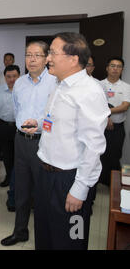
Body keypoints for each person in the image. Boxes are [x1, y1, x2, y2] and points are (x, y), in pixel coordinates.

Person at [34, 32, 110, 250]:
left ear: (73, 59)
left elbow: (94, 146)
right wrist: (39, 124)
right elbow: (58, 122)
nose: (47, 58)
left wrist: (80, 187)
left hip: (69, 180)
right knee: (45, 236)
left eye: (52, 53)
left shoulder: (89, 91)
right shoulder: (60, 85)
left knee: (70, 241)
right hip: (46, 174)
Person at [1, 41, 57, 246]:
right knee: (21, 190)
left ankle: (44, 239)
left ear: (46, 58)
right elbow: (18, 110)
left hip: (44, 142)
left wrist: (41, 125)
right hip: (21, 140)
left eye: (37, 55)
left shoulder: (55, 82)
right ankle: (20, 231)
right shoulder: (20, 82)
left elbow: (59, 116)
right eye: (28, 55)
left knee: (42, 194)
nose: (32, 60)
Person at [99, 57, 130, 186]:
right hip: (100, 127)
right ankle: (100, 181)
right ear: (107, 68)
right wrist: (106, 118)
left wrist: (107, 113)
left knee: (115, 156)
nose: (115, 69)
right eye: (112, 66)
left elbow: (125, 106)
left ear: (122, 70)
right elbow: (95, 106)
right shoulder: (99, 84)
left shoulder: (126, 87)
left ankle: (113, 185)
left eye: (118, 66)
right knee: (100, 155)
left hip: (118, 128)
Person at [0, 65, 20, 190]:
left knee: (18, 156)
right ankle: (8, 177)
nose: (12, 79)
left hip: (19, 128)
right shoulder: (0, 90)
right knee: (6, 155)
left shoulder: (23, 90)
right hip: (3, 126)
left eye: (14, 76)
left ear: (19, 76)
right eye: (9, 76)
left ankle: (18, 179)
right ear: (5, 77)